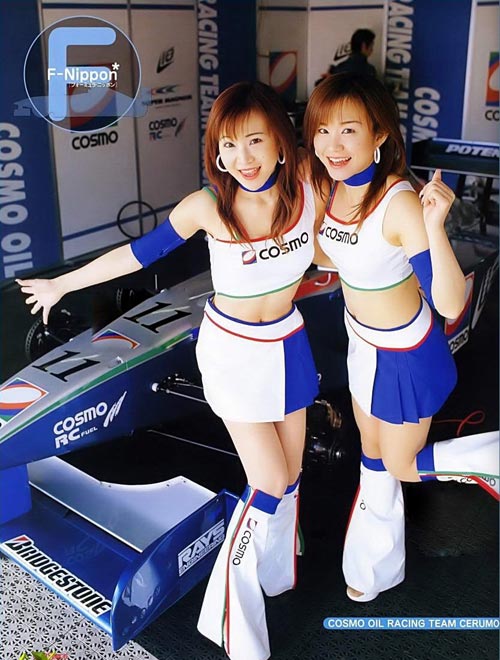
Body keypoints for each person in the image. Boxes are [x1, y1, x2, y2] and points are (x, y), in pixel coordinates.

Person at [18, 81, 323, 660]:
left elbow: (356, 201)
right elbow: (136, 255)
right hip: (234, 352)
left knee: (292, 474)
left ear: (282, 143)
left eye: (255, 140)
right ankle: (228, 617)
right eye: (229, 145)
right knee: (268, 481)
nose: (243, 158)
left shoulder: (309, 181)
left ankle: (276, 572)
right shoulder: (207, 206)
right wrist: (61, 284)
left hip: (288, 342)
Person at [302, 73, 499, 603]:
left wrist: (435, 227)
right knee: (372, 459)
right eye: (322, 130)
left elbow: (450, 304)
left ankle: (493, 457)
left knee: (401, 465)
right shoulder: (332, 188)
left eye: (348, 130)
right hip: (361, 343)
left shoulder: (400, 202)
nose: (332, 144)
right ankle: (373, 571)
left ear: (380, 134)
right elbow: (333, 256)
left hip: (405, 354)